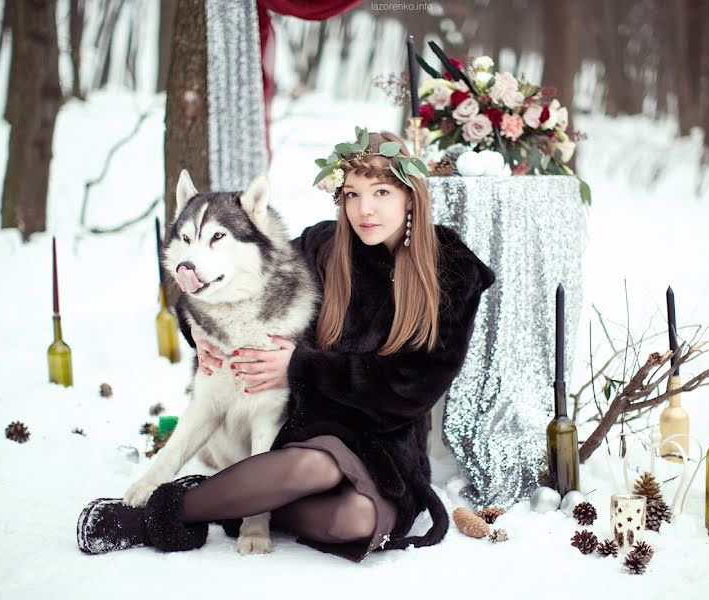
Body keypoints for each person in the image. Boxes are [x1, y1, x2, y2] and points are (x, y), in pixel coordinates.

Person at [76, 130, 495, 562]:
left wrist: (300, 367)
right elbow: (239, 282)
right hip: (306, 429)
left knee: (353, 522)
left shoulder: (450, 270)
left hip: (384, 443)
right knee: (313, 464)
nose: (364, 209)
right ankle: (159, 516)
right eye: (352, 194)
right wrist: (199, 329)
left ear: (411, 196)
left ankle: (233, 495)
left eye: (381, 192)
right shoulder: (322, 247)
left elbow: (412, 389)